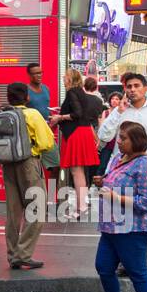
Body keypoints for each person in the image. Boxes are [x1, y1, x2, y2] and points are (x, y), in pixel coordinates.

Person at [96, 72, 147, 275]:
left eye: (136, 86)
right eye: (129, 86)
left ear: (146, 88)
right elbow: (104, 136)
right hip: (121, 168)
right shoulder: (120, 111)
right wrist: (117, 112)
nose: (132, 89)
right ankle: (125, 262)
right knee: (119, 215)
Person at [91, 121, 147, 292]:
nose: (119, 141)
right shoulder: (117, 159)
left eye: (123, 138)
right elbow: (115, 184)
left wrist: (116, 197)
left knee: (138, 275)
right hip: (111, 227)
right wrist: (103, 181)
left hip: (133, 230)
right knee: (103, 267)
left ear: (136, 141)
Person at [0, 82, 55, 270]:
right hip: (29, 163)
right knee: (36, 209)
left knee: (13, 213)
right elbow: (47, 142)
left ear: (8, 97)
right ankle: (23, 254)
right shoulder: (32, 114)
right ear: (27, 97)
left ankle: (13, 254)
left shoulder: (3, 114)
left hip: (8, 165)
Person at [51, 69, 104, 218]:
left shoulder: (72, 92)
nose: (63, 77)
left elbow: (77, 114)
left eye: (65, 76)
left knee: (77, 171)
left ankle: (81, 207)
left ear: (70, 79)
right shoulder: (81, 92)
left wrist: (59, 117)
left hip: (76, 133)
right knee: (79, 171)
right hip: (83, 132)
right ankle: (82, 206)